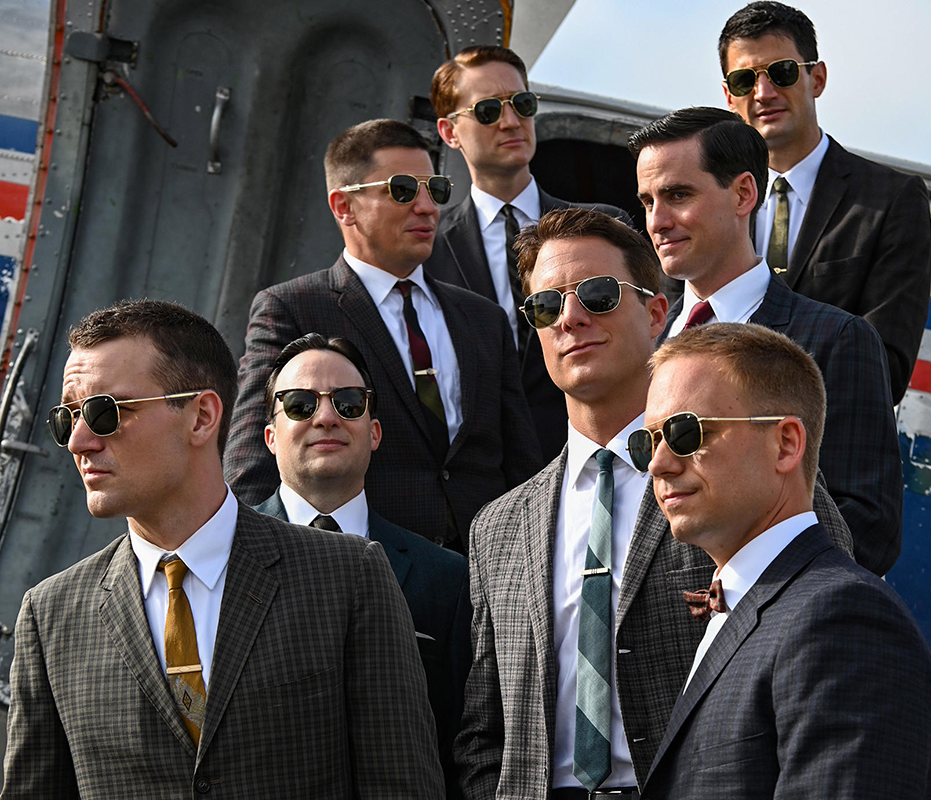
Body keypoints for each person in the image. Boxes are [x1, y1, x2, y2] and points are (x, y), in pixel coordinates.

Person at [455, 208, 850, 799]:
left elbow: (821, 644)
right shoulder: (498, 528)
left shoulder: (742, 474)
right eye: (545, 306)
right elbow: (486, 732)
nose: (571, 318)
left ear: (657, 312)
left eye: (598, 294)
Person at [0, 299, 442, 798]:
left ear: (201, 417)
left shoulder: (347, 577)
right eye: (67, 419)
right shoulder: (51, 615)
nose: (78, 441)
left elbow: (402, 785)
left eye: (106, 413)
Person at [638, 322, 931, 798]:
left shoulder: (844, 622)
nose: (658, 463)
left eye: (686, 432)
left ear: (786, 444)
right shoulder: (754, 612)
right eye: (648, 441)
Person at [224, 118, 542, 552]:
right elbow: (253, 461)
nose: (427, 207)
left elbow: (521, 463)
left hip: (484, 567)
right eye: (403, 190)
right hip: (364, 564)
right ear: (344, 206)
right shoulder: (292, 309)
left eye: (436, 190)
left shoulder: (483, 318)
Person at [631, 106, 903, 576]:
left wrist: (740, 592)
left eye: (677, 195)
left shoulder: (834, 339)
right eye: (648, 201)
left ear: (743, 194)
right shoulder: (639, 345)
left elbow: (869, 527)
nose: (657, 221)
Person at [253, 332, 470, 798]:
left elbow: (461, 742)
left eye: (348, 402)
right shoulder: (224, 560)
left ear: (374, 432)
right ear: (270, 436)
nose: (326, 417)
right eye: (300, 404)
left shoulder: (446, 578)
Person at [425, 45, 632, 462]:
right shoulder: (428, 251)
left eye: (522, 103)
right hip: (478, 474)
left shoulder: (604, 227)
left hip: (594, 456)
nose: (511, 121)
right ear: (449, 132)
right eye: (488, 110)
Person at [719, 1, 931, 405]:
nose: (764, 93)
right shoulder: (711, 200)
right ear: (729, 96)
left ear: (817, 78)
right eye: (745, 80)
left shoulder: (890, 200)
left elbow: (885, 368)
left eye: (781, 72)